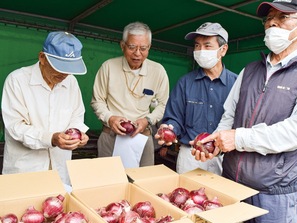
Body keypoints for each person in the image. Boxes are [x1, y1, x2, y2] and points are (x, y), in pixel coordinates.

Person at [191, 1, 297, 223]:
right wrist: (216, 144)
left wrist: (239, 138)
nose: (272, 22)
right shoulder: (248, 71)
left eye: (283, 17)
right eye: (269, 18)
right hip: (233, 185)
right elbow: (230, 116)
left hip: (274, 195)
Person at [1, 31, 90, 186]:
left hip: (60, 168)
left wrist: (78, 134)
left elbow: (77, 115)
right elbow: (15, 127)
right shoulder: (17, 80)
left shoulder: (71, 82)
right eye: (60, 67)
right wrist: (50, 138)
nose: (65, 74)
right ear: (42, 58)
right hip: (25, 170)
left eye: (70, 68)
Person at [155, 22, 237, 174]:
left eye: (207, 46)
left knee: (222, 196)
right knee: (188, 195)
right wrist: (169, 128)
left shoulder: (237, 83)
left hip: (225, 156)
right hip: (191, 155)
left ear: (223, 50)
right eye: (197, 46)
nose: (200, 50)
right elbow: (174, 117)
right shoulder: (185, 82)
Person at [91, 21, 170, 167]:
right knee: (109, 182)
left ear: (149, 48)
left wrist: (148, 120)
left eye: (143, 48)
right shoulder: (108, 67)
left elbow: (163, 104)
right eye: (132, 47)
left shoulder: (158, 71)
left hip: (142, 137)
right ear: (123, 46)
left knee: (143, 181)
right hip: (111, 135)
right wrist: (110, 118)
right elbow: (97, 101)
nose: (137, 53)